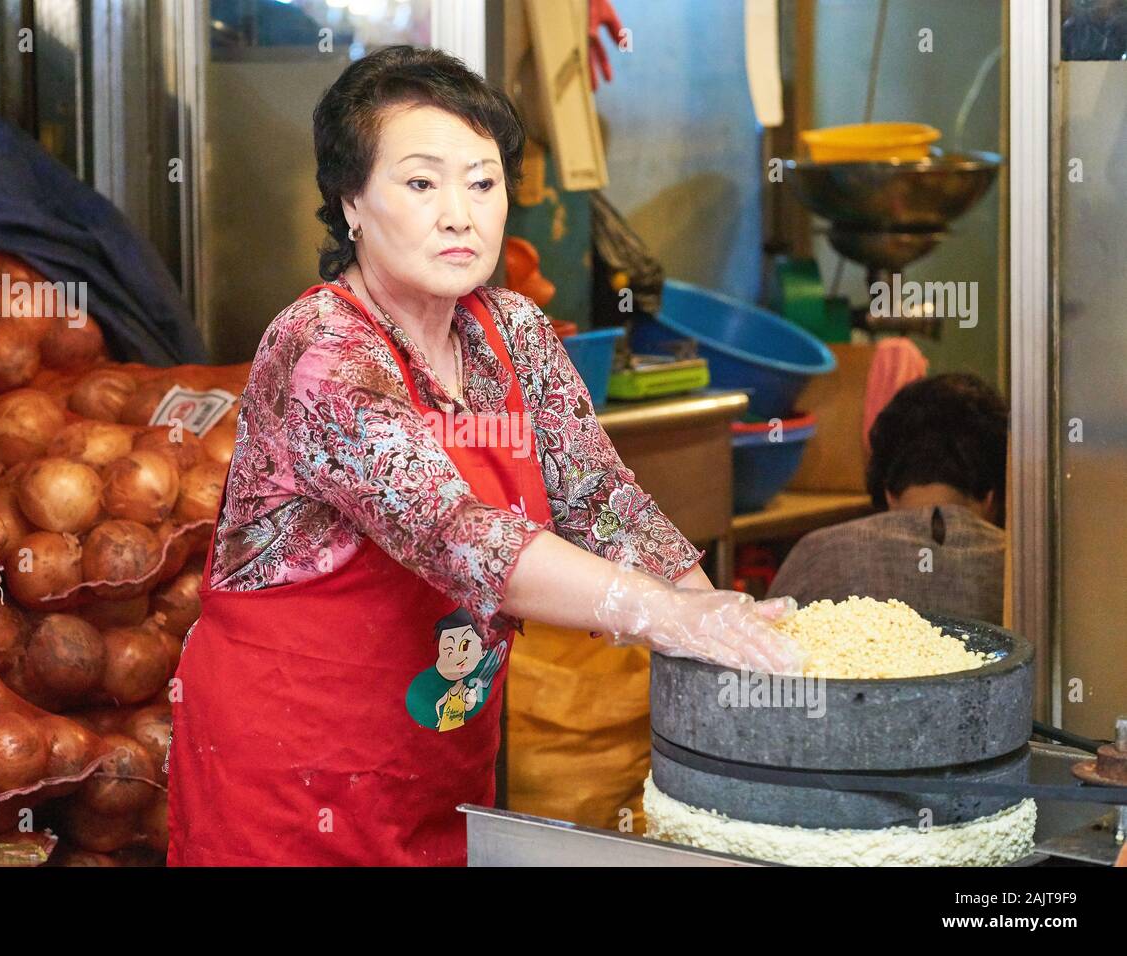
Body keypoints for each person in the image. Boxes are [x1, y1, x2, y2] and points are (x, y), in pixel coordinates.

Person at [166, 45, 802, 867]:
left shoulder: (514, 332)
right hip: (290, 781)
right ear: (351, 201)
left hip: (436, 762)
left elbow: (604, 502)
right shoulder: (321, 349)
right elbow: (458, 533)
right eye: (422, 183)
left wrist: (722, 628)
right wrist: (666, 617)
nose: (460, 213)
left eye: (483, 181)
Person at [767, 373, 1008, 624]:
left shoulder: (816, 554)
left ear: (887, 492)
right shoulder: (1022, 568)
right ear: (993, 497)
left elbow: (758, 651)